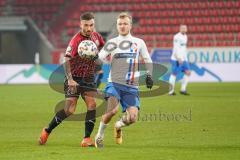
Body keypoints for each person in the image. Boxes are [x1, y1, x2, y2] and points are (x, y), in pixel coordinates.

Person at [38, 12, 105, 147]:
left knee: (92, 105)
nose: (89, 28)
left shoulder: (97, 37)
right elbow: (67, 59)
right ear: (80, 25)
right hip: (73, 77)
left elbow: (101, 49)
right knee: (70, 110)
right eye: (86, 25)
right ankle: (47, 130)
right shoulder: (75, 41)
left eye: (91, 25)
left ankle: (86, 139)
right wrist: (70, 79)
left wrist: (96, 64)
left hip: (88, 77)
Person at [94, 12, 153, 148]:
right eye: (120, 24)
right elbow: (100, 57)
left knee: (132, 118)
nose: (122, 26)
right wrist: (94, 59)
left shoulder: (139, 42)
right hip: (114, 83)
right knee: (112, 110)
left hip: (132, 86)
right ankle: (100, 136)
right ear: (117, 25)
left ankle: (118, 126)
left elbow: (147, 59)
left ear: (130, 25)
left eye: (125, 23)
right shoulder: (112, 43)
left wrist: (150, 75)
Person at [168, 24, 191, 96]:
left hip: (184, 59)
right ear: (180, 29)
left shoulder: (185, 36)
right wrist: (178, 58)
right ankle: (170, 91)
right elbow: (175, 48)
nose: (184, 29)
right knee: (174, 74)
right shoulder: (177, 37)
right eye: (183, 28)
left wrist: (185, 58)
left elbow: (183, 48)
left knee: (188, 72)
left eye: (185, 28)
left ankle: (183, 90)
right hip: (176, 59)